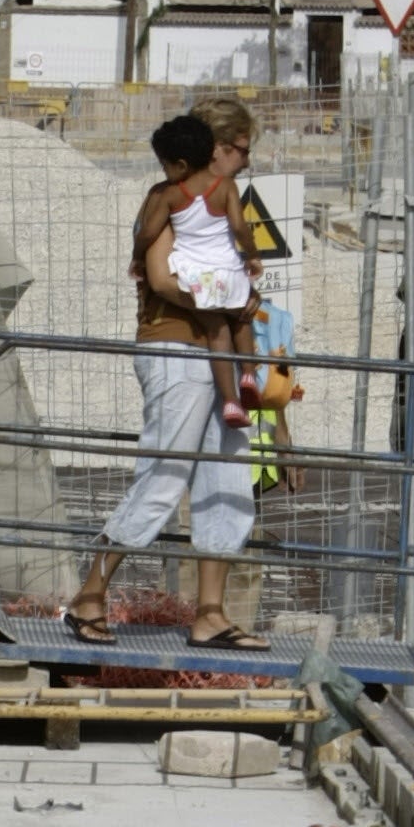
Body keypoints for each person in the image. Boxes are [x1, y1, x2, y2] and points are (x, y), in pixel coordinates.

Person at [67, 110, 265, 649]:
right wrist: (222, 302)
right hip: (176, 346)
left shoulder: (221, 200)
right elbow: (159, 277)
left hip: (215, 351)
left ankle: (210, 613)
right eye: (241, 149)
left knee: (227, 479)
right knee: (165, 471)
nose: (248, 160)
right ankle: (90, 595)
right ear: (217, 149)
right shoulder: (168, 199)